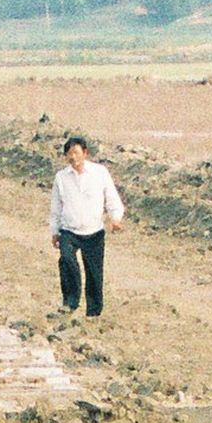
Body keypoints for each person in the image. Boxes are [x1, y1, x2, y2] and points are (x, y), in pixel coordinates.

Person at [48, 135, 124, 318]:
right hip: (69, 230)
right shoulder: (61, 177)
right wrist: (55, 231)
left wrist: (115, 218)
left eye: (76, 152)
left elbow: (112, 198)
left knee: (94, 273)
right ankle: (70, 302)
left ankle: (93, 312)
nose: (72, 157)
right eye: (69, 153)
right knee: (66, 260)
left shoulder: (100, 173)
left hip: (94, 231)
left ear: (85, 153)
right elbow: (56, 206)